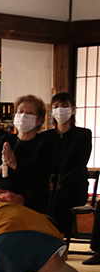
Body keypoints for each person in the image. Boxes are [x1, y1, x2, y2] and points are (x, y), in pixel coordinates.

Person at [0, 94, 48, 211]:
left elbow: (39, 180)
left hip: (25, 200)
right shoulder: (5, 141)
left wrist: (15, 165)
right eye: (20, 112)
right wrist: (1, 168)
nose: (23, 116)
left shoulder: (44, 144)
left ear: (39, 120)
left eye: (29, 113)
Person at [42, 92, 92, 233]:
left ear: (73, 109)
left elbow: (79, 166)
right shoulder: (45, 137)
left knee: (57, 200)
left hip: (73, 187)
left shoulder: (83, 135)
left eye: (64, 106)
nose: (60, 110)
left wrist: (60, 183)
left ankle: (58, 239)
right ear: (52, 111)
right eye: (56, 106)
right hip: (49, 186)